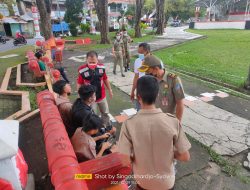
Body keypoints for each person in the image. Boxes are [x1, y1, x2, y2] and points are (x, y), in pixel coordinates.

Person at [118, 75, 191, 190]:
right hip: (167, 183)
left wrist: (137, 156)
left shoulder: (129, 124)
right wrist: (169, 154)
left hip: (143, 182)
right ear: (157, 95)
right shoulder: (173, 121)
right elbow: (185, 156)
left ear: (138, 97)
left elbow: (124, 160)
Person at [138, 55, 185, 122]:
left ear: (156, 69)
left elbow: (180, 103)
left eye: (148, 71)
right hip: (154, 119)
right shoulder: (149, 79)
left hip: (169, 120)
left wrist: (178, 123)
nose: (146, 73)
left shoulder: (173, 80)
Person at [71, 84, 116, 153]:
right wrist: (105, 132)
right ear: (90, 99)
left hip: (84, 131)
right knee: (112, 131)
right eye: (94, 95)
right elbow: (91, 132)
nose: (95, 97)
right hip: (88, 135)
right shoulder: (85, 114)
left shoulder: (79, 102)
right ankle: (105, 148)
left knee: (109, 129)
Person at [77, 51, 113, 126]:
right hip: (90, 98)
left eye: (94, 62)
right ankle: (96, 128)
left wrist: (110, 90)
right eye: (90, 62)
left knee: (105, 112)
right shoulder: (82, 70)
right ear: (86, 60)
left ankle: (106, 125)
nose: (92, 64)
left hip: (102, 96)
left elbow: (105, 79)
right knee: (93, 114)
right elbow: (79, 83)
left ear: (97, 60)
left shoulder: (101, 68)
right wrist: (80, 96)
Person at [130, 43, 151, 111]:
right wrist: (133, 91)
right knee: (139, 109)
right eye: (138, 52)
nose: (140, 55)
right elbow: (136, 76)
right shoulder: (138, 61)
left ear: (147, 52)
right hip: (140, 89)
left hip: (151, 90)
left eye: (141, 53)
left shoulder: (155, 62)